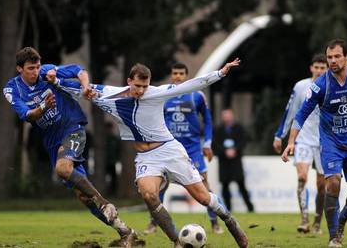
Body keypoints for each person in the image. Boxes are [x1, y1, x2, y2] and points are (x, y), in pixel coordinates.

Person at [54, 58, 248, 248]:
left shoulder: (156, 93)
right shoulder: (109, 94)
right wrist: (54, 81)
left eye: (145, 86)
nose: (140, 90)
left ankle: (229, 221)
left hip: (170, 151)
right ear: (129, 81)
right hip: (147, 157)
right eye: (137, 85)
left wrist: (220, 73)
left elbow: (190, 85)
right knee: (148, 195)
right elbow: (79, 89)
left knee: (204, 198)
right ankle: (177, 241)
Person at [3, 47, 142, 247]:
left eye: (38, 66)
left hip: (72, 128)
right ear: (19, 69)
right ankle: (125, 231)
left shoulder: (47, 72)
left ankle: (104, 203)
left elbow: (78, 70)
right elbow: (27, 115)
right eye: (31, 68)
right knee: (83, 196)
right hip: (52, 141)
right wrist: (43, 107)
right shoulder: (12, 89)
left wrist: (85, 87)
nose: (36, 71)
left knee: (63, 169)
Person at [282, 39, 347, 247]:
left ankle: (342, 220)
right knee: (333, 182)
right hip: (330, 143)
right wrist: (291, 141)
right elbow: (300, 115)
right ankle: (333, 237)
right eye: (329, 57)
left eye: (337, 56)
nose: (333, 61)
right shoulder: (320, 85)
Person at [144, 62, 224, 235]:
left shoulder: (197, 96)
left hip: (193, 149)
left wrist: (208, 143)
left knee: (204, 185)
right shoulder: (163, 95)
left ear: (186, 75)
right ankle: (153, 223)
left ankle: (214, 222)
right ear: (172, 75)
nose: (178, 76)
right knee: (160, 187)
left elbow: (208, 120)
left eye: (181, 73)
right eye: (175, 73)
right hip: (168, 149)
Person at [273, 54, 328, 234]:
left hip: (324, 141)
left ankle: (317, 222)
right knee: (302, 177)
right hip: (303, 139)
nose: (319, 71)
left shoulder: (332, 86)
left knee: (322, 185)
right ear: (311, 68)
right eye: (317, 67)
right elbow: (291, 112)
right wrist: (279, 135)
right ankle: (304, 219)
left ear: (327, 69)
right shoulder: (301, 87)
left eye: (323, 68)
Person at [213, 109, 254, 213]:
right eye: (224, 116)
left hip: (236, 161)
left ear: (232, 116)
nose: (226, 117)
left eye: (228, 115)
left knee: (241, 185)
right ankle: (228, 209)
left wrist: (235, 149)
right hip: (224, 162)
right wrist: (224, 151)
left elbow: (244, 140)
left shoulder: (239, 128)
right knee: (225, 186)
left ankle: (250, 208)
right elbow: (214, 144)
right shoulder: (218, 129)